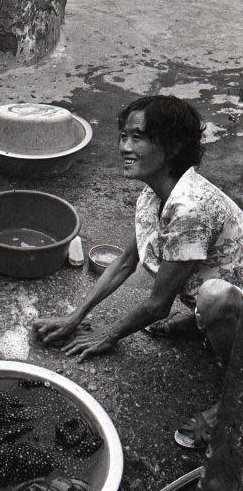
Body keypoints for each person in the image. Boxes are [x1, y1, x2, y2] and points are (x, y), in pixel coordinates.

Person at [33, 95, 243, 449]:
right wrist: (75, 316)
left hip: (232, 298)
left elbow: (157, 304)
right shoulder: (154, 193)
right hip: (215, 285)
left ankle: (233, 406)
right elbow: (125, 263)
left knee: (214, 298)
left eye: (138, 137)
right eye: (123, 136)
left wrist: (109, 336)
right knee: (206, 296)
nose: (124, 147)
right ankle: (199, 321)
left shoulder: (190, 208)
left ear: (173, 146)